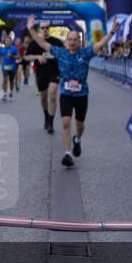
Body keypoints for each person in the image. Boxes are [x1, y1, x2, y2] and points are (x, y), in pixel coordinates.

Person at [28, 15, 97, 168]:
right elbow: (41, 42)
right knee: (66, 122)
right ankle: (67, 153)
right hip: (66, 93)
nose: (72, 42)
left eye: (75, 39)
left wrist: (111, 33)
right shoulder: (61, 52)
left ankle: (77, 140)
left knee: (80, 125)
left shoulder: (85, 53)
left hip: (82, 95)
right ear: (66, 42)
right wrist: (30, 29)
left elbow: (99, 45)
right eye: (70, 39)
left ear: (79, 41)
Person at [26, 21, 63, 133]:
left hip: (54, 72)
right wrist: (37, 56)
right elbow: (26, 57)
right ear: (40, 29)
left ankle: (51, 122)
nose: (45, 29)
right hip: (41, 73)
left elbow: (63, 55)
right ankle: (46, 115)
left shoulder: (57, 42)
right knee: (43, 98)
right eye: (43, 28)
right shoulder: (35, 43)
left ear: (49, 28)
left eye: (47, 27)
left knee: (52, 95)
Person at [0, 35, 21, 101]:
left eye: (9, 41)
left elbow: (18, 57)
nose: (7, 42)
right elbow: (0, 55)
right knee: (5, 79)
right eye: (6, 41)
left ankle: (11, 92)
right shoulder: (2, 49)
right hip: (5, 66)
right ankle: (5, 93)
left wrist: (12, 56)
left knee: (11, 80)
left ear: (11, 42)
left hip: (13, 66)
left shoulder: (14, 48)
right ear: (5, 41)